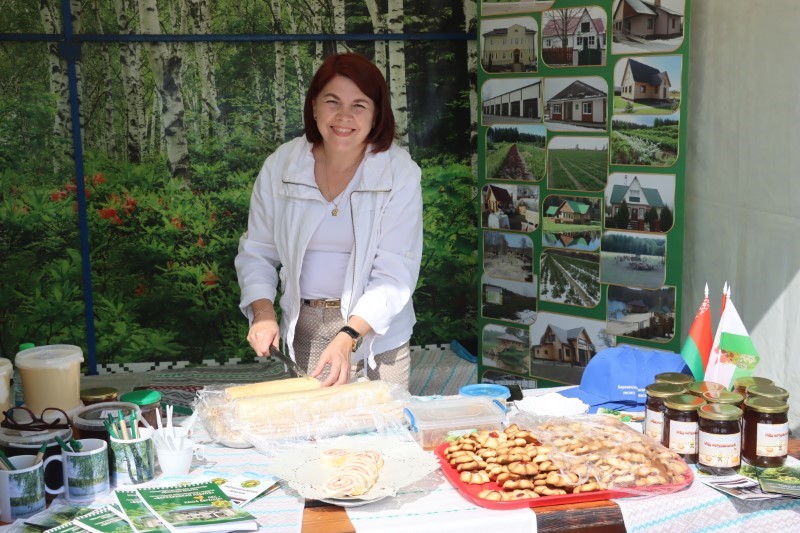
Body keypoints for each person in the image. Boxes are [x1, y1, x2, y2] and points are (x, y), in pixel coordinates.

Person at [235, 52, 423, 389]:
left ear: (377, 113)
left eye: (359, 105)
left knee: (383, 421)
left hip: (378, 335)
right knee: (315, 422)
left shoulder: (399, 172)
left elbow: (395, 272)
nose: (344, 116)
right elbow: (257, 252)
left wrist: (349, 335)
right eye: (332, 102)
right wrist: (263, 314)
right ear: (314, 106)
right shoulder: (282, 165)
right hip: (305, 328)